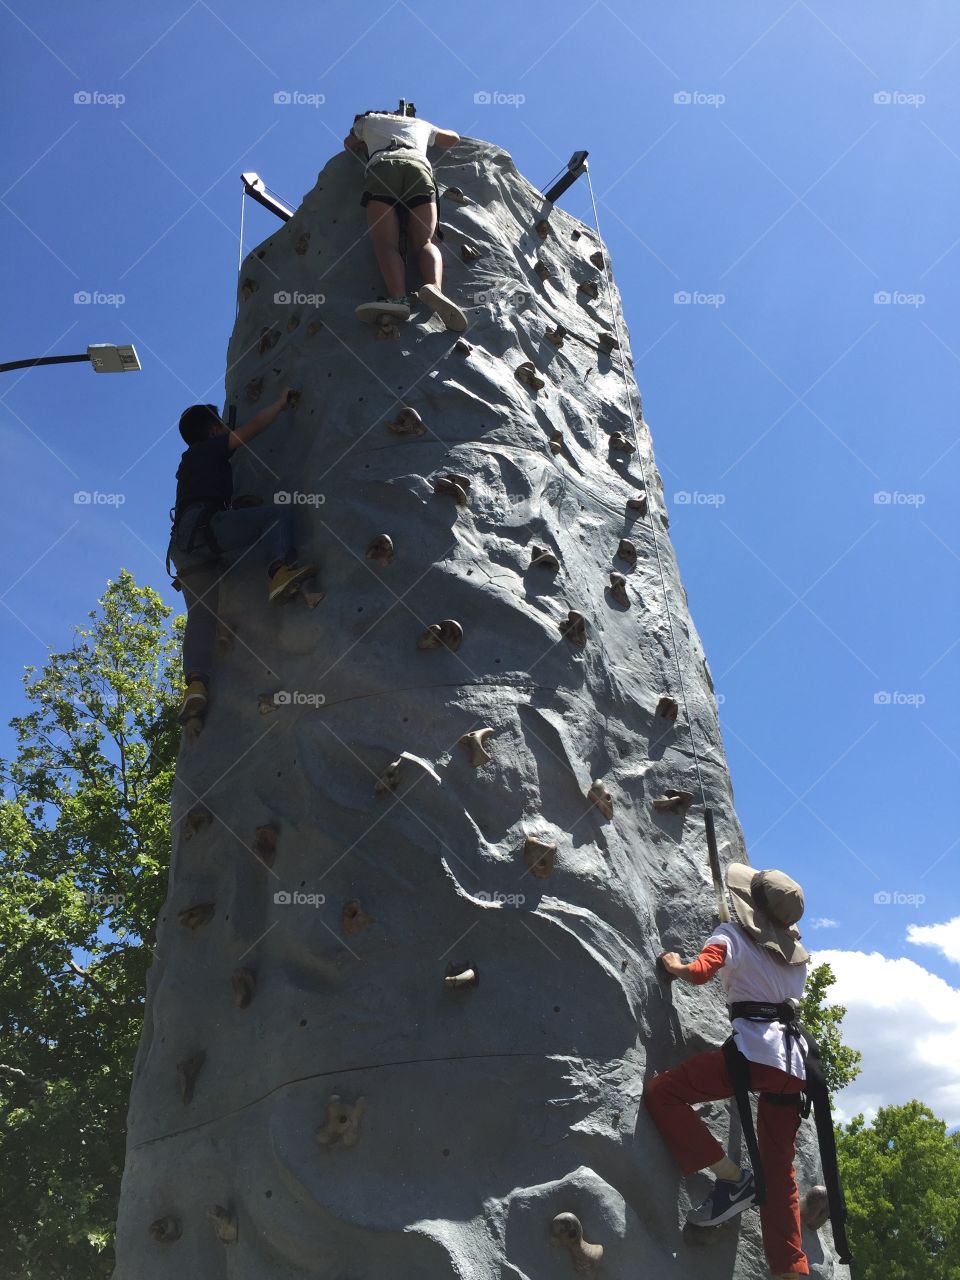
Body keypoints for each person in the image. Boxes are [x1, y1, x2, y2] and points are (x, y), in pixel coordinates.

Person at [645, 865, 812, 1280]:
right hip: (796, 1064)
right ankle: (791, 1269)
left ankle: (732, 1179)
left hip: (756, 1054)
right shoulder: (795, 962)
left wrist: (674, 965)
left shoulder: (731, 935)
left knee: (664, 1095)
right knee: (780, 1172)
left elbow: (700, 973)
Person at [168, 392, 316, 723]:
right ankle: (278, 572)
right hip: (208, 527)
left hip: (183, 545)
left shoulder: (187, 464)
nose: (225, 428)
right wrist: (279, 402)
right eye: (221, 425)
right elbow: (253, 429)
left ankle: (196, 685)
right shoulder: (211, 448)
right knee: (275, 517)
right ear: (212, 432)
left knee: (202, 618)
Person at [344, 108, 467, 331]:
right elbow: (453, 139)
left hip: (382, 168)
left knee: (385, 243)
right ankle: (434, 289)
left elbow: (348, 144)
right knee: (425, 241)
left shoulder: (367, 121)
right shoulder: (420, 123)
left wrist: (362, 134)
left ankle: (399, 299)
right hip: (419, 169)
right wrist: (427, 129)